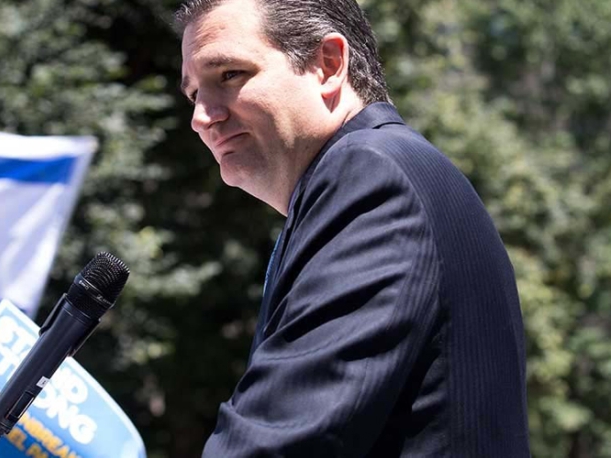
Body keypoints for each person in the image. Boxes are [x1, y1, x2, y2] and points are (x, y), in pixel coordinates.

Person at [174, 0, 531, 456]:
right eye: (193, 95)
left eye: (229, 74)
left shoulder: (370, 176)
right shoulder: (383, 171)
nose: (201, 117)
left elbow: (279, 441)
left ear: (327, 64)